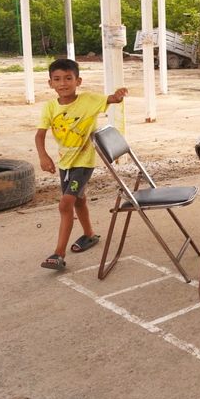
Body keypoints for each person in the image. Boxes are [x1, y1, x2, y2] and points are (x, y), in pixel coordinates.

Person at [35, 58, 128, 271]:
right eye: (57, 79)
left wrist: (119, 95)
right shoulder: (49, 107)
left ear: (78, 81)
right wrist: (43, 156)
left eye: (68, 78)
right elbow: (39, 135)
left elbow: (112, 99)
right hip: (65, 163)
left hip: (84, 163)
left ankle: (58, 253)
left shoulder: (89, 100)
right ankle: (89, 235)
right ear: (50, 83)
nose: (63, 83)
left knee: (65, 203)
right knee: (79, 200)